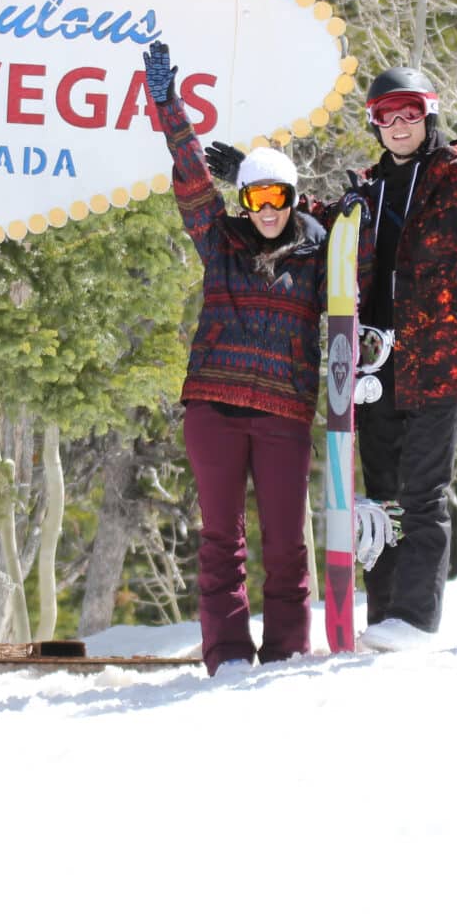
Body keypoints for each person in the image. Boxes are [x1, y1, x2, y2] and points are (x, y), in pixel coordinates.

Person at [271, 66, 457, 651]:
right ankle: (385, 615)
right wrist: (266, 190)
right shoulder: (365, 192)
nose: (397, 125)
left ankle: (417, 617)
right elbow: (312, 223)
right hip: (374, 364)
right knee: (380, 501)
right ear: (375, 124)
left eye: (407, 113)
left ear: (428, 115)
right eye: (384, 116)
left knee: (421, 490)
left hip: (441, 359)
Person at [146, 40, 331, 675]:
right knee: (221, 540)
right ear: (244, 202)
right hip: (215, 411)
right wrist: (170, 106)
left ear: (295, 198)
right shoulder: (219, 243)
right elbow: (192, 176)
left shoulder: (319, 258)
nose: (270, 212)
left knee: (286, 544)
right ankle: (225, 653)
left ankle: (286, 649)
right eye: (257, 200)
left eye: (280, 198)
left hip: (283, 414)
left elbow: (354, 246)